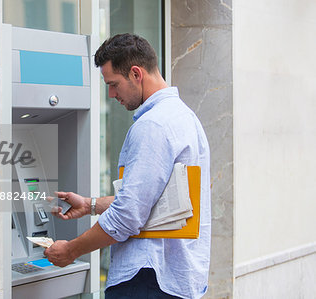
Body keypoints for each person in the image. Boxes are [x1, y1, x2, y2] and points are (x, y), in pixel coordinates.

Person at [44, 33, 211, 299]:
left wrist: (71, 250)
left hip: (148, 280)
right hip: (174, 279)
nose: (111, 94)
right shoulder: (184, 117)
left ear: (136, 73)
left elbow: (128, 215)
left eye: (113, 84)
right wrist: (90, 204)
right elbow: (155, 202)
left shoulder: (153, 125)